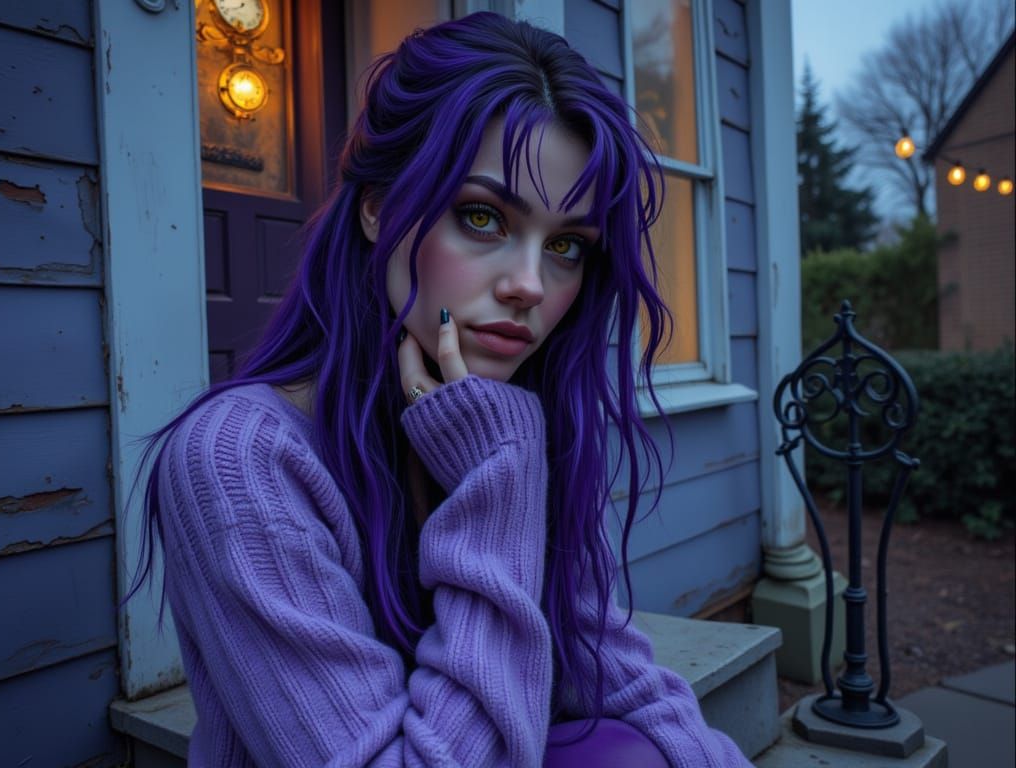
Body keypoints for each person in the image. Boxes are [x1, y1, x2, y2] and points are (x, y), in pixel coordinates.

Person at [133, 11, 752, 767]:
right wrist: (497, 486)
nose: (530, 285)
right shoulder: (237, 463)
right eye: (483, 216)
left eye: (566, 246)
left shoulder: (516, 425)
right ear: (377, 208)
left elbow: (620, 677)